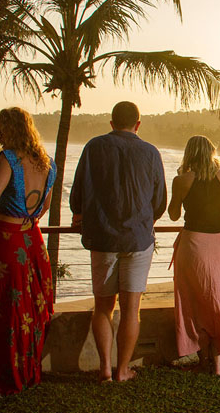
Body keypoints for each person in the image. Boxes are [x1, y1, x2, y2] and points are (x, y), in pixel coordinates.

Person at [70, 101, 166, 382]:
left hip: (102, 237)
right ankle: (123, 369)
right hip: (137, 239)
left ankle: (104, 370)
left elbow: (78, 193)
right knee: (130, 310)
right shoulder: (150, 152)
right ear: (138, 124)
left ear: (111, 123)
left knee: (102, 307)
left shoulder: (93, 147)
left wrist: (81, 214)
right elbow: (159, 202)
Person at [0, 107, 57, 396]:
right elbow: (44, 207)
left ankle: (0, 380)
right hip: (32, 240)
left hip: (8, 240)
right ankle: (26, 373)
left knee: (3, 308)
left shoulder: (9, 159)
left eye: (1, 128)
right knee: (29, 309)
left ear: (13, 129)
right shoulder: (48, 163)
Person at [168, 136, 220, 375]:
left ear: (189, 154)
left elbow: (173, 215)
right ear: (212, 152)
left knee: (192, 301)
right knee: (216, 301)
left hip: (192, 245)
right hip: (218, 245)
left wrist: (179, 187)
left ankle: (202, 360)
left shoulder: (182, 180)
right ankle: (218, 361)